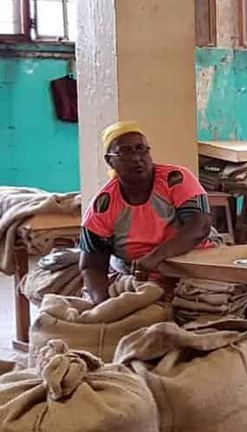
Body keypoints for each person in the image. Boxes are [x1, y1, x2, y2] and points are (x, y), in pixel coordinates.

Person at [79, 122, 212, 302]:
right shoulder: (102, 207)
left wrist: (155, 257)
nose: (136, 157)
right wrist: (101, 305)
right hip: (140, 278)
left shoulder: (175, 179)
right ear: (109, 160)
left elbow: (200, 226)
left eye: (141, 149)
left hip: (192, 267)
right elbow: (92, 265)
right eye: (125, 151)